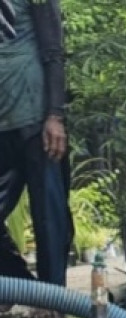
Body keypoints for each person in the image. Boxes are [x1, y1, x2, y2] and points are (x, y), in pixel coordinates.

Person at [0, 0, 74, 286]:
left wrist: (55, 115)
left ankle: (54, 300)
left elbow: (53, 50)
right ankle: (25, 288)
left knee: (50, 219)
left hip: (35, 120)